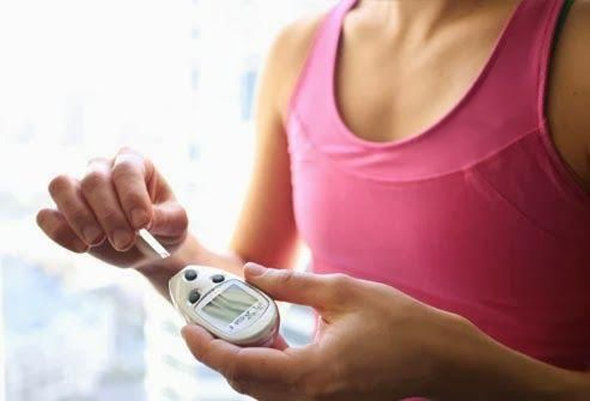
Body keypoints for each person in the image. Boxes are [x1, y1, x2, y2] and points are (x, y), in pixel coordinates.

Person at [37, 0, 590, 399]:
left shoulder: (577, 52)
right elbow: (256, 280)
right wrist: (160, 254)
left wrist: (453, 367)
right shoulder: (298, 51)